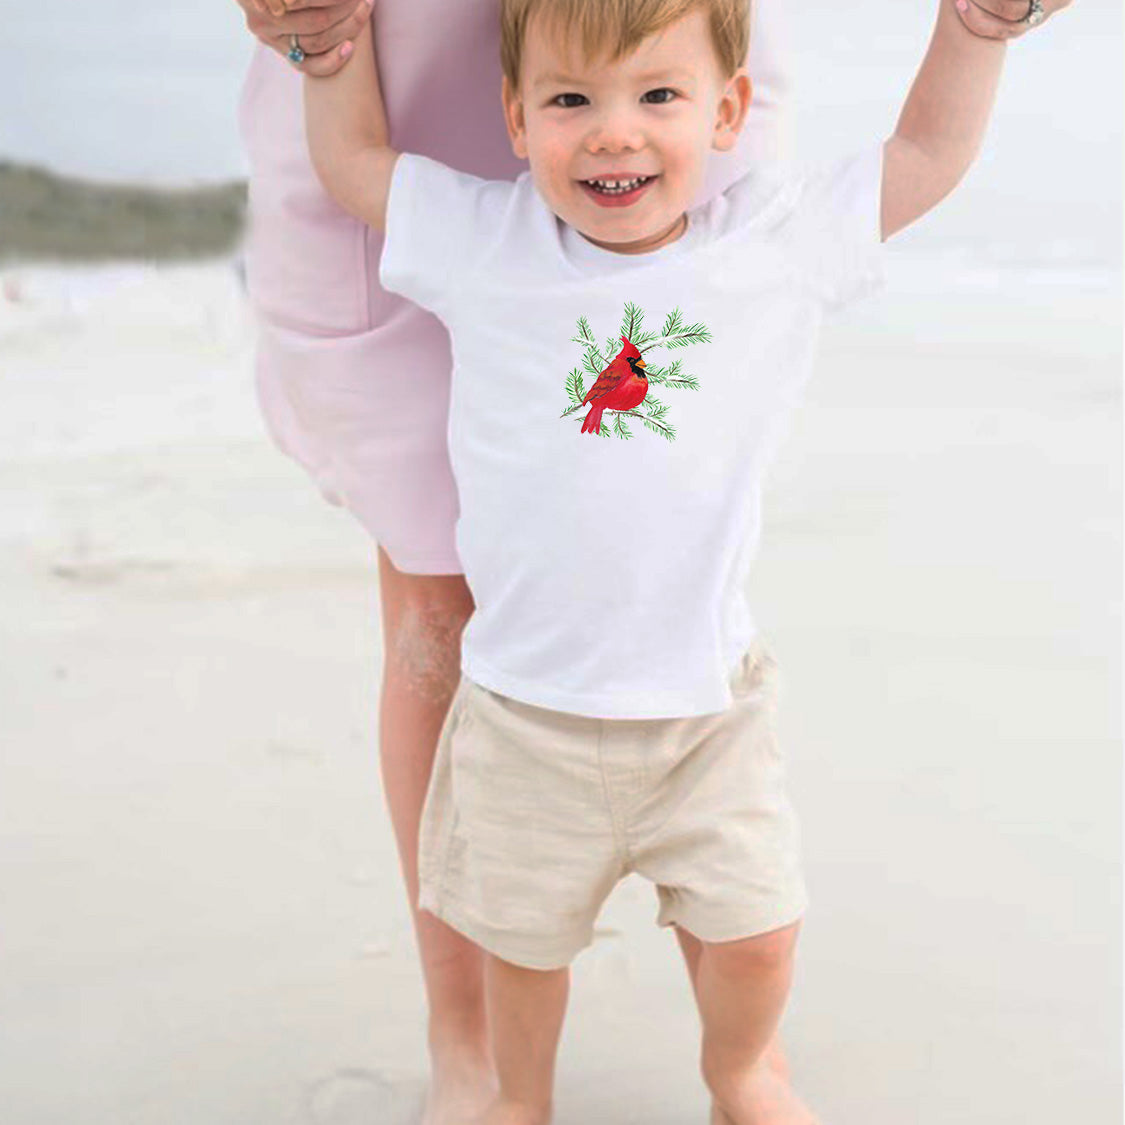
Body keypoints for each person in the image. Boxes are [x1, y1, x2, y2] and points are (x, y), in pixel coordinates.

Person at [233, 0, 1069, 1121]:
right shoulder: (483, 239)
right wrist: (327, 43)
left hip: (706, 717)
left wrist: (976, 31)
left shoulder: (771, 237)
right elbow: (353, 165)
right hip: (523, 722)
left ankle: (742, 1072)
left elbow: (924, 156)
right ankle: (510, 1092)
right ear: (515, 121)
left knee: (760, 935)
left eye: (659, 99)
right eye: (572, 102)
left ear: (729, 109)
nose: (615, 133)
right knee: (523, 957)